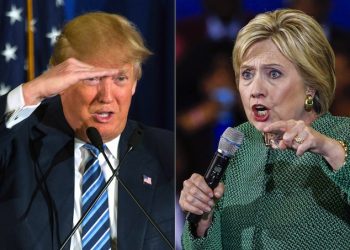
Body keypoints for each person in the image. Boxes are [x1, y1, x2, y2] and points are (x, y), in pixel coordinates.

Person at [0, 12, 174, 250]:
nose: (106, 96)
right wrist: (33, 91)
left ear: (134, 84)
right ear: (60, 82)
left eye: (120, 78)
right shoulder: (16, 145)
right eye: (92, 78)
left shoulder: (166, 153)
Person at [179, 9, 350, 249]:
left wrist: (333, 152)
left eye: (274, 73)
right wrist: (203, 219)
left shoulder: (342, 136)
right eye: (247, 74)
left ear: (310, 86)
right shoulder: (239, 142)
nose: (255, 89)